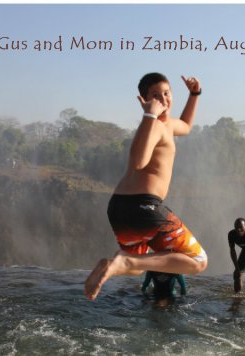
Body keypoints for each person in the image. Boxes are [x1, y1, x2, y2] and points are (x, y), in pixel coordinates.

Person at [84, 72, 208, 301]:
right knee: (199, 261)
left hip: (120, 208)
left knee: (138, 268)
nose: (164, 98)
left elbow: (186, 126)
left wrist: (194, 94)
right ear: (145, 100)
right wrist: (149, 115)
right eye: (156, 95)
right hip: (143, 206)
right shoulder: (155, 126)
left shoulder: (167, 125)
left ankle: (113, 264)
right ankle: (122, 260)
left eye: (167, 93)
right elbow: (139, 160)